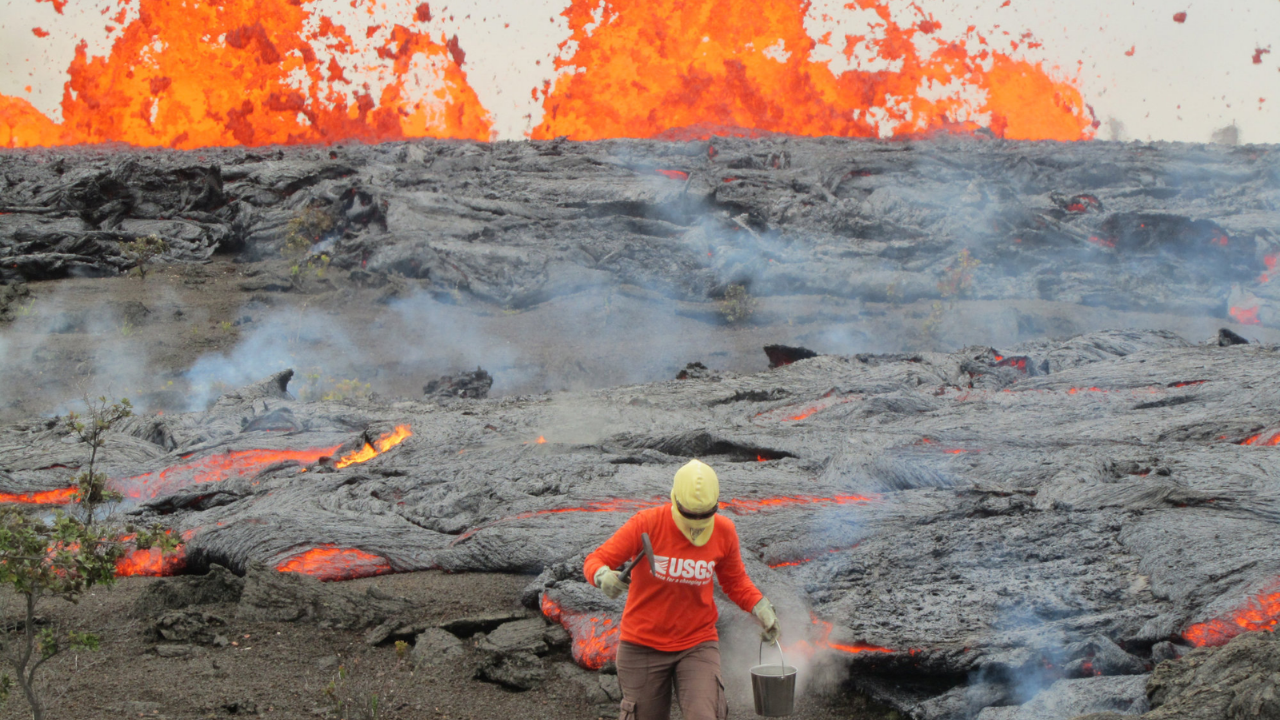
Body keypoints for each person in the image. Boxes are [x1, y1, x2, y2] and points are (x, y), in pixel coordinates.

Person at [583, 459, 781, 720]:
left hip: (697, 643)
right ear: (675, 500)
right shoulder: (647, 523)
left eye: (704, 515)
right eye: (690, 515)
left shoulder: (724, 531)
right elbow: (595, 560)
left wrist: (761, 606)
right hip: (642, 645)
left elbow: (735, 582)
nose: (697, 522)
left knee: (704, 714)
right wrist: (601, 576)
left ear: (716, 505)